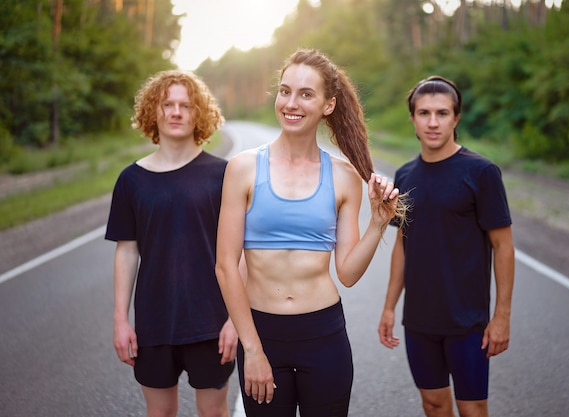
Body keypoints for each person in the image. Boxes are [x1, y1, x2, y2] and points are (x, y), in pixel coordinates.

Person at [214, 48, 404, 417]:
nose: (291, 103)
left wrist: (378, 224)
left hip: (324, 334)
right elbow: (225, 266)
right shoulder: (242, 168)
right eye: (285, 91)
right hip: (262, 333)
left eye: (305, 94)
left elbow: (347, 273)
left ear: (327, 105)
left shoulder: (344, 176)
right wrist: (251, 349)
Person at [377, 76, 515, 417]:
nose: (433, 122)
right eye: (424, 113)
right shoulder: (405, 175)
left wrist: (501, 317)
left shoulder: (481, 172)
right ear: (412, 118)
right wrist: (390, 306)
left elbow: (503, 246)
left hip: (467, 321)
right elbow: (401, 244)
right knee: (434, 405)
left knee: (472, 408)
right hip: (420, 320)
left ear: (456, 117)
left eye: (442, 113)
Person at [105, 70, 237, 417]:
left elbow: (240, 253)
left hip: (211, 321)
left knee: (213, 413)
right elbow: (127, 251)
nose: (176, 112)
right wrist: (121, 320)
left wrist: (235, 320)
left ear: (198, 114)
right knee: (160, 413)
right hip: (154, 321)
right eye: (167, 104)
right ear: (154, 111)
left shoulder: (223, 175)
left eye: (185, 105)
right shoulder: (131, 180)